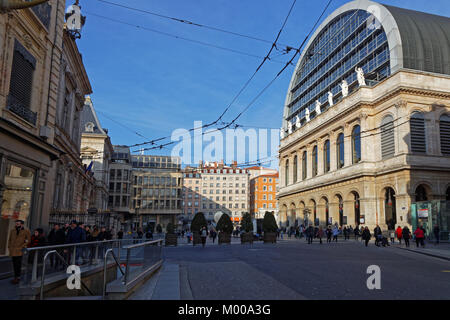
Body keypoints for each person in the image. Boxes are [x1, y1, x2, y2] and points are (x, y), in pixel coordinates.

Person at [8, 220, 31, 284]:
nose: (17, 224)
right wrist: (9, 247)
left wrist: (22, 246)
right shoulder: (12, 230)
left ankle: (17, 277)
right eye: (16, 223)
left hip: (19, 250)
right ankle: (15, 277)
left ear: (22, 224)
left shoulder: (26, 231)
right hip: (12, 250)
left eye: (18, 223)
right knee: (14, 264)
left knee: (18, 264)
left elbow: (28, 240)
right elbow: (9, 239)